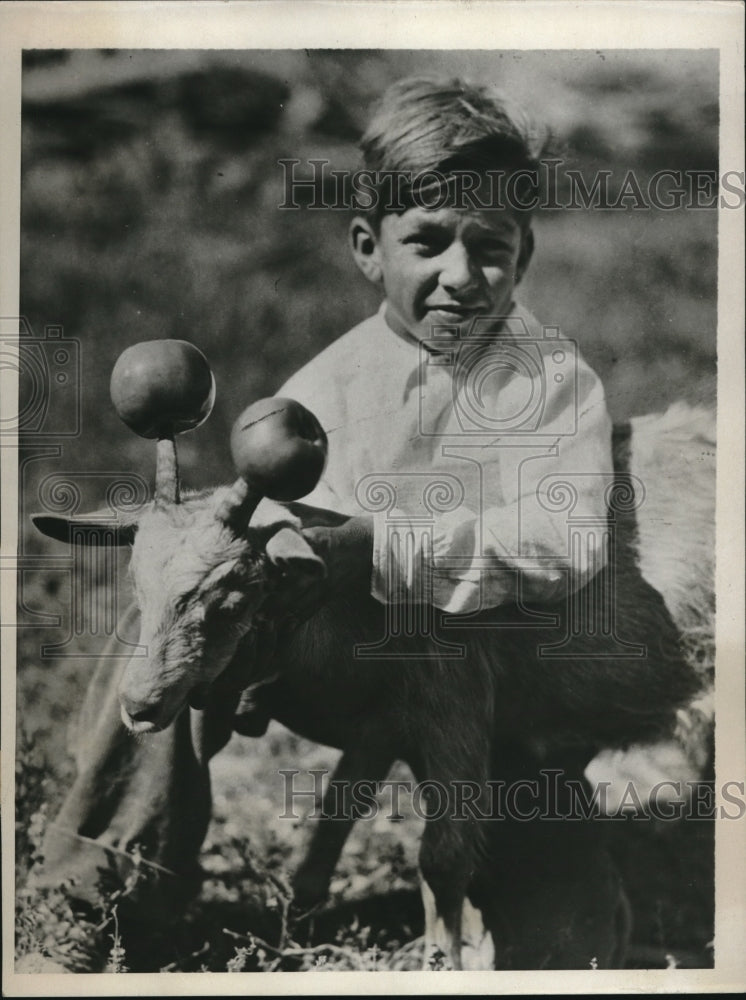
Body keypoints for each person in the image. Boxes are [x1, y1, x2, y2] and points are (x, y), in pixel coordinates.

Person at [26, 76, 622, 971]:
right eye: (426, 241)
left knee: (565, 934)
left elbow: (567, 542)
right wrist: (221, 557)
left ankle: (537, 917)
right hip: (346, 662)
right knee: (179, 616)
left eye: (490, 248)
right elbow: (279, 534)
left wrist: (387, 542)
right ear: (368, 248)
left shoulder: (557, 383)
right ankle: (100, 882)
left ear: (524, 254)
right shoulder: (324, 388)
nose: (461, 276)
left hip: (500, 683)